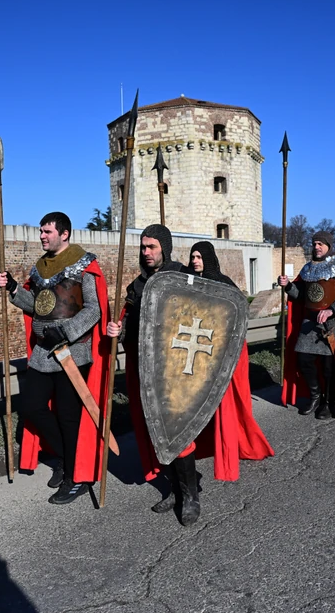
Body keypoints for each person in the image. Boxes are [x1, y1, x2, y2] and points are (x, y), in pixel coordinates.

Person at [0, 212, 109, 505]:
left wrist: (66, 331)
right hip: (43, 353)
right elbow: (37, 306)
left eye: (47, 231)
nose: (42, 236)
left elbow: (94, 310)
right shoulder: (40, 268)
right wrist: (13, 290)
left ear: (65, 233)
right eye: (41, 231)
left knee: (69, 418)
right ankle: (62, 457)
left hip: (73, 353)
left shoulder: (84, 264)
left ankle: (76, 476)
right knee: (32, 407)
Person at [107, 224, 211, 524]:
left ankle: (190, 495)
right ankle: (175, 490)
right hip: (146, 370)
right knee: (157, 433)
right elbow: (129, 327)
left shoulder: (183, 277)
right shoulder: (137, 286)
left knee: (178, 433)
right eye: (142, 247)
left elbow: (205, 316)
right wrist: (119, 329)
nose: (146, 252)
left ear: (164, 247)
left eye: (151, 247)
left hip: (177, 370)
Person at [178, 241, 273, 481]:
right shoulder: (186, 282)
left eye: (199, 256)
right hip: (197, 350)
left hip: (223, 350)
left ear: (208, 258)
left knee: (225, 403)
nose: (195, 261)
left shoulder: (224, 283)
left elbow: (240, 312)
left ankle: (232, 444)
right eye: (192, 257)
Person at [279, 231, 335, 420]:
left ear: (328, 246)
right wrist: (287, 286)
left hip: (331, 324)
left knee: (329, 368)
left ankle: (327, 402)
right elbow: (300, 296)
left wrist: (331, 311)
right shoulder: (307, 269)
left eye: (320, 243)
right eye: (314, 243)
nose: (317, 247)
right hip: (309, 322)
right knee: (303, 359)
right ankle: (315, 396)